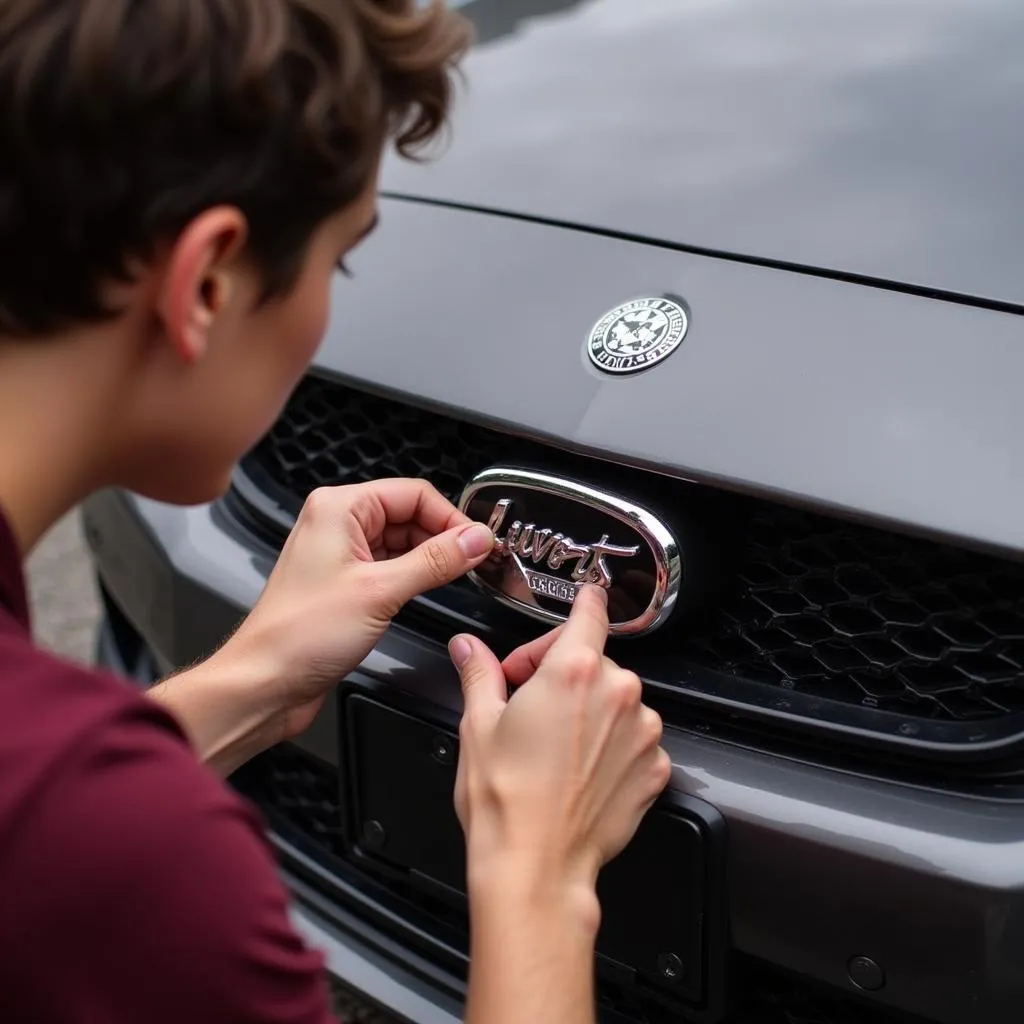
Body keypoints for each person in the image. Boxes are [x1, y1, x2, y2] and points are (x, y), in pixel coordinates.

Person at [0, 2, 671, 1022]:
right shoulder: (145, 863)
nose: (325, 312)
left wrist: (248, 680)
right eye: (338, 259)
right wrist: (537, 873)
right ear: (208, 284)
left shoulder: (62, 805)